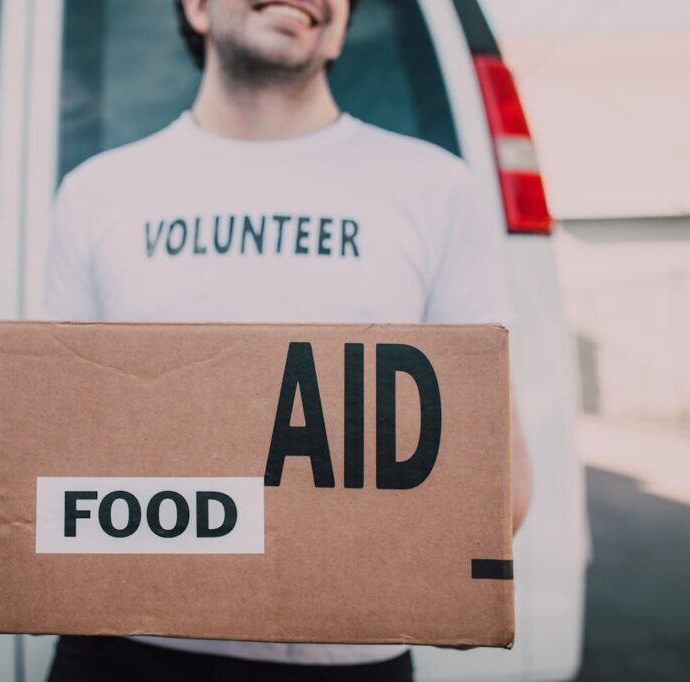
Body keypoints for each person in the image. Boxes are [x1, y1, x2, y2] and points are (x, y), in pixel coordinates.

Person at [41, 0, 533, 679]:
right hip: (125, 649)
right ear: (198, 8)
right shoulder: (96, 194)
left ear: (339, 28)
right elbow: (55, 445)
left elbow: (497, 472)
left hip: (343, 659)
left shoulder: (435, 189)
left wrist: (429, 578)